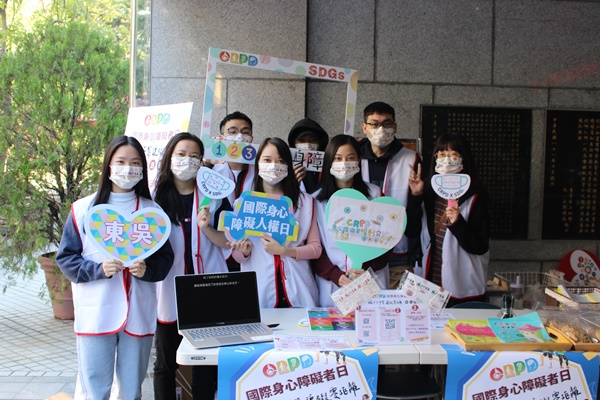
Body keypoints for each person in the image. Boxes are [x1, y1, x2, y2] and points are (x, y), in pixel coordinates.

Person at [56, 136, 174, 400]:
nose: (127, 169)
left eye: (135, 163)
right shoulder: (83, 210)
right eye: (120, 162)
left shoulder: (152, 213)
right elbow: (66, 258)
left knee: (132, 390)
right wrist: (98, 269)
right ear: (108, 165)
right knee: (96, 390)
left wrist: (148, 270)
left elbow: (165, 260)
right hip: (96, 312)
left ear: (143, 168)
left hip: (138, 313)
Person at [153, 132, 229, 400]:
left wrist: (206, 227)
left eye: (194, 156)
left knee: (205, 364)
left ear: (201, 162)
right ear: (169, 158)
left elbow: (227, 241)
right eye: (181, 154)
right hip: (169, 289)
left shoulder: (214, 196)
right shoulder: (154, 198)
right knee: (166, 363)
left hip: (206, 289)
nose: (187, 161)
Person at [230, 137, 322, 308]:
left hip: (298, 289)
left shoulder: (305, 203)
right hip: (261, 290)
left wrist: (285, 251)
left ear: (288, 165)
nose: (274, 166)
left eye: (280, 161)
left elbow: (316, 249)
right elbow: (238, 257)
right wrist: (244, 252)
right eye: (267, 160)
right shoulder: (244, 203)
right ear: (258, 164)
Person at [412, 132, 490, 307]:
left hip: (462, 285)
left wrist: (458, 223)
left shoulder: (475, 196)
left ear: (464, 159)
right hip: (430, 282)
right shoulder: (428, 190)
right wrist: (416, 196)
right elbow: (411, 229)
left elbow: (480, 246)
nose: (447, 160)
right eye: (442, 154)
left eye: (453, 154)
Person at [312, 135, 390, 307]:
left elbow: (387, 240)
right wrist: (335, 275)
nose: (344, 164)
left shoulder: (375, 195)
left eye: (350, 158)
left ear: (359, 160)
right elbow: (314, 248)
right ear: (329, 162)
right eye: (338, 158)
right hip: (332, 283)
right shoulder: (316, 201)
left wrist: (366, 268)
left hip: (370, 279)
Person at [359, 101, 422, 275]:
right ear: (364, 127)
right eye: (374, 124)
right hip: (361, 252)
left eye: (386, 124)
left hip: (398, 255)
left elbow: (417, 210)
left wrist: (417, 195)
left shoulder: (411, 159)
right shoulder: (353, 157)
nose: (381, 130)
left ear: (394, 127)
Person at [288, 117, 329, 194]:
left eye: (313, 140)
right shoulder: (287, 167)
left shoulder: (328, 167)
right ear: (293, 143)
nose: (307, 144)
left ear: (320, 143)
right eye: (301, 140)